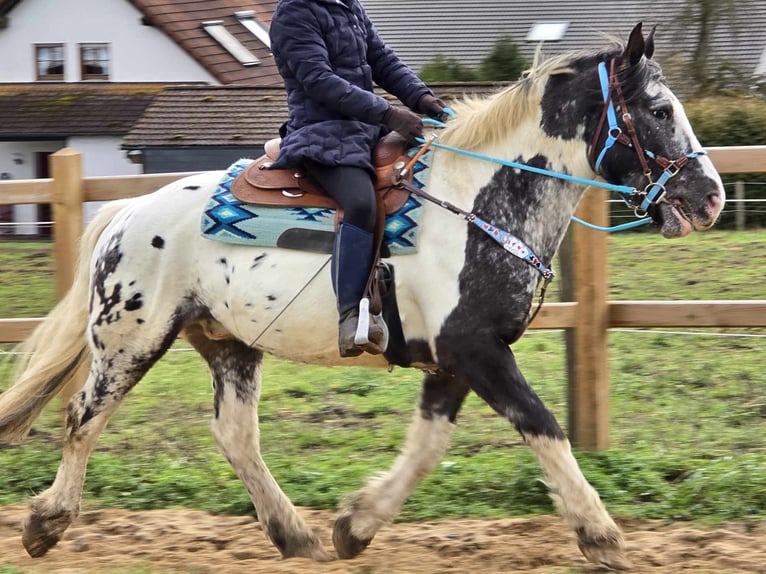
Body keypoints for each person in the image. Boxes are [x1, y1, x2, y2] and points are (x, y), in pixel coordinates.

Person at [269, 0, 447, 358]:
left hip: (366, 129)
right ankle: (351, 314)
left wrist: (423, 98)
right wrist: (390, 112)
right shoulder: (294, 13)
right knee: (361, 203)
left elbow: (382, 61)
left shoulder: (349, 6)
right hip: (321, 134)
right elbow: (319, 81)